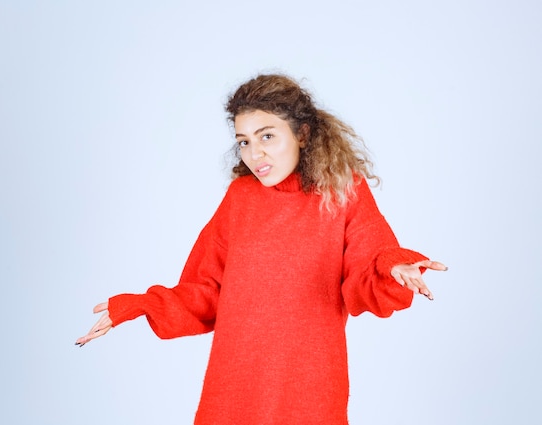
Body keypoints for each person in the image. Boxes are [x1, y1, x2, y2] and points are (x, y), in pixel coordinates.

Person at [76, 74, 447, 425]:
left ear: (302, 134)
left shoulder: (342, 191)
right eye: (244, 141)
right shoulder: (241, 198)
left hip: (310, 386)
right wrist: (141, 304)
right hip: (235, 384)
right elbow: (206, 290)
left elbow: (369, 265)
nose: (255, 154)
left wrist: (393, 268)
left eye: (267, 136)